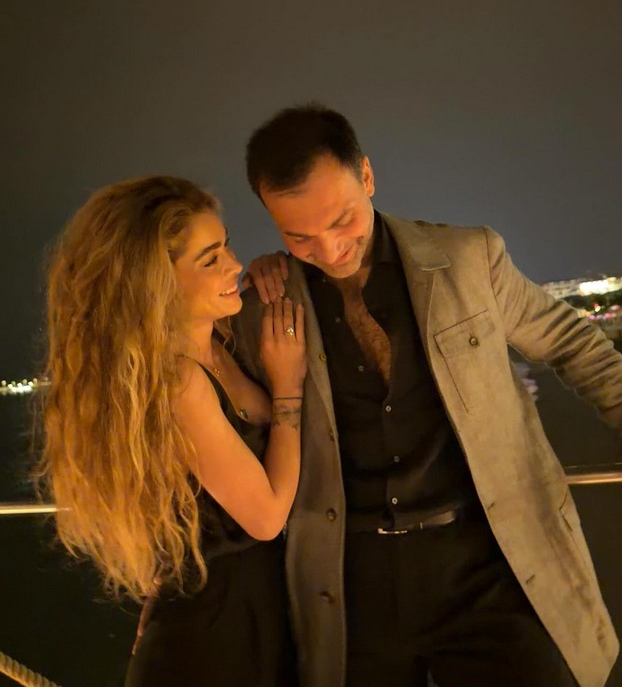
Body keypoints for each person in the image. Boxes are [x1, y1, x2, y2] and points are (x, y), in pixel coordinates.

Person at [232, 104, 622, 687]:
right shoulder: (265, 307)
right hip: (348, 585)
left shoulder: (468, 260)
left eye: (342, 220)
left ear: (367, 176)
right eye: (299, 236)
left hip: (490, 563)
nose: (330, 250)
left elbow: (573, 343)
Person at [37, 175, 306, 686]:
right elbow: (267, 517)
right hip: (211, 642)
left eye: (226, 246)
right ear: (155, 283)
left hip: (246, 618)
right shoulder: (178, 381)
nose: (233, 265)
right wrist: (288, 385)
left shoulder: (218, 347)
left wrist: (274, 269)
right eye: (209, 259)